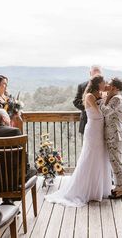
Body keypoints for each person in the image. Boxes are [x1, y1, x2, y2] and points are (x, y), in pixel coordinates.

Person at [46, 75, 112, 207]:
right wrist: (106, 99)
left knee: (100, 157)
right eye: (103, 82)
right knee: (90, 157)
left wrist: (106, 96)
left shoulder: (98, 94)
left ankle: (97, 189)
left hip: (100, 129)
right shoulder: (89, 96)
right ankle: (84, 190)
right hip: (93, 129)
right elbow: (99, 113)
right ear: (98, 84)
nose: (105, 84)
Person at [0, 108, 37, 179]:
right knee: (33, 170)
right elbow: (23, 156)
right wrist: (26, 169)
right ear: (4, 119)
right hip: (14, 180)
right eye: (9, 118)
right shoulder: (15, 132)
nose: (10, 120)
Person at [100, 77, 122, 200]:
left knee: (117, 163)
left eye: (110, 84)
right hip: (112, 135)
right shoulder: (112, 98)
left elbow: (106, 112)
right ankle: (118, 187)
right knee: (114, 162)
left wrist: (100, 100)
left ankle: (121, 190)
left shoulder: (117, 99)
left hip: (116, 135)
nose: (108, 86)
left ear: (116, 88)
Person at [73, 65, 102, 134]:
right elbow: (76, 102)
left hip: (101, 121)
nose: (96, 75)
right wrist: (88, 107)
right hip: (86, 120)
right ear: (90, 73)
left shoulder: (104, 86)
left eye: (98, 73)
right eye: (94, 72)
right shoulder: (82, 86)